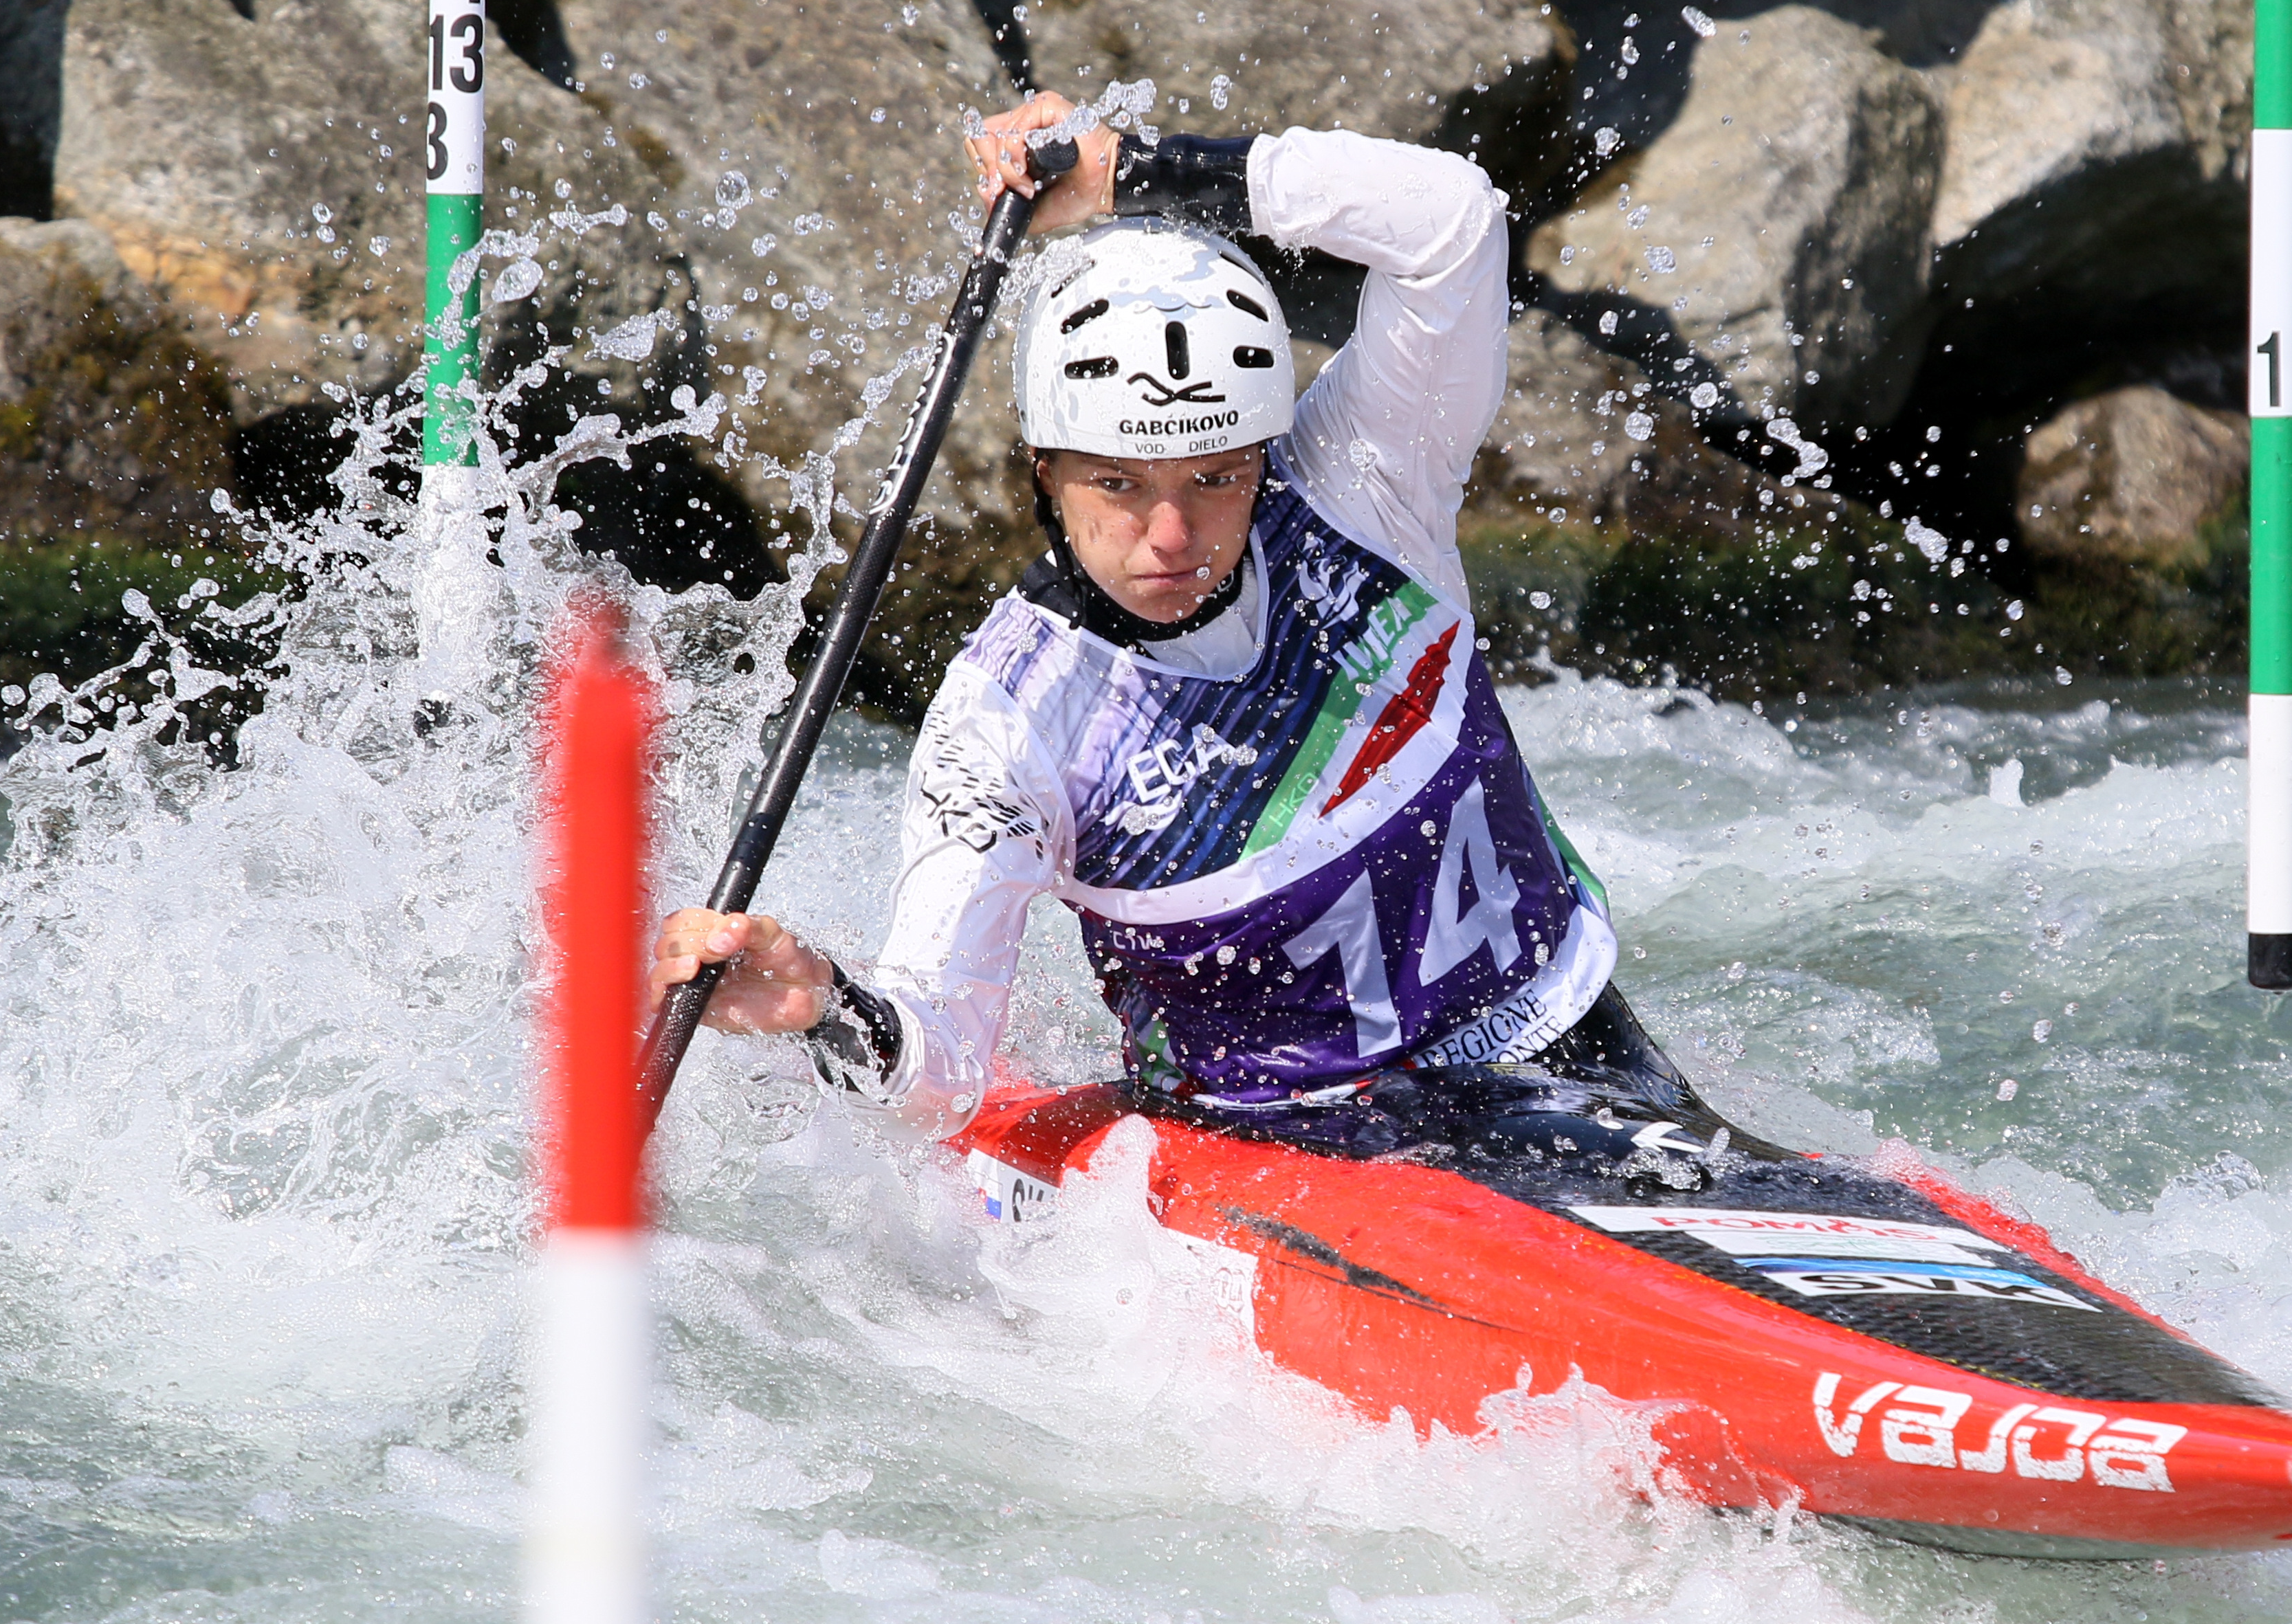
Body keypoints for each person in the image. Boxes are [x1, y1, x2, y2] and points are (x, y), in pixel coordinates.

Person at [645, 90, 1762, 1175]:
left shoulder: (1366, 490)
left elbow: (1452, 221)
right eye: (1120, 485)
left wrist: (1132, 174)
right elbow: (939, 1076)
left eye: (1218, 478)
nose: (1171, 535)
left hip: (1570, 1053)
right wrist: (820, 1006)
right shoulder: (1011, 722)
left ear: (1265, 452)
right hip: (1291, 1155)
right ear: (1046, 472)